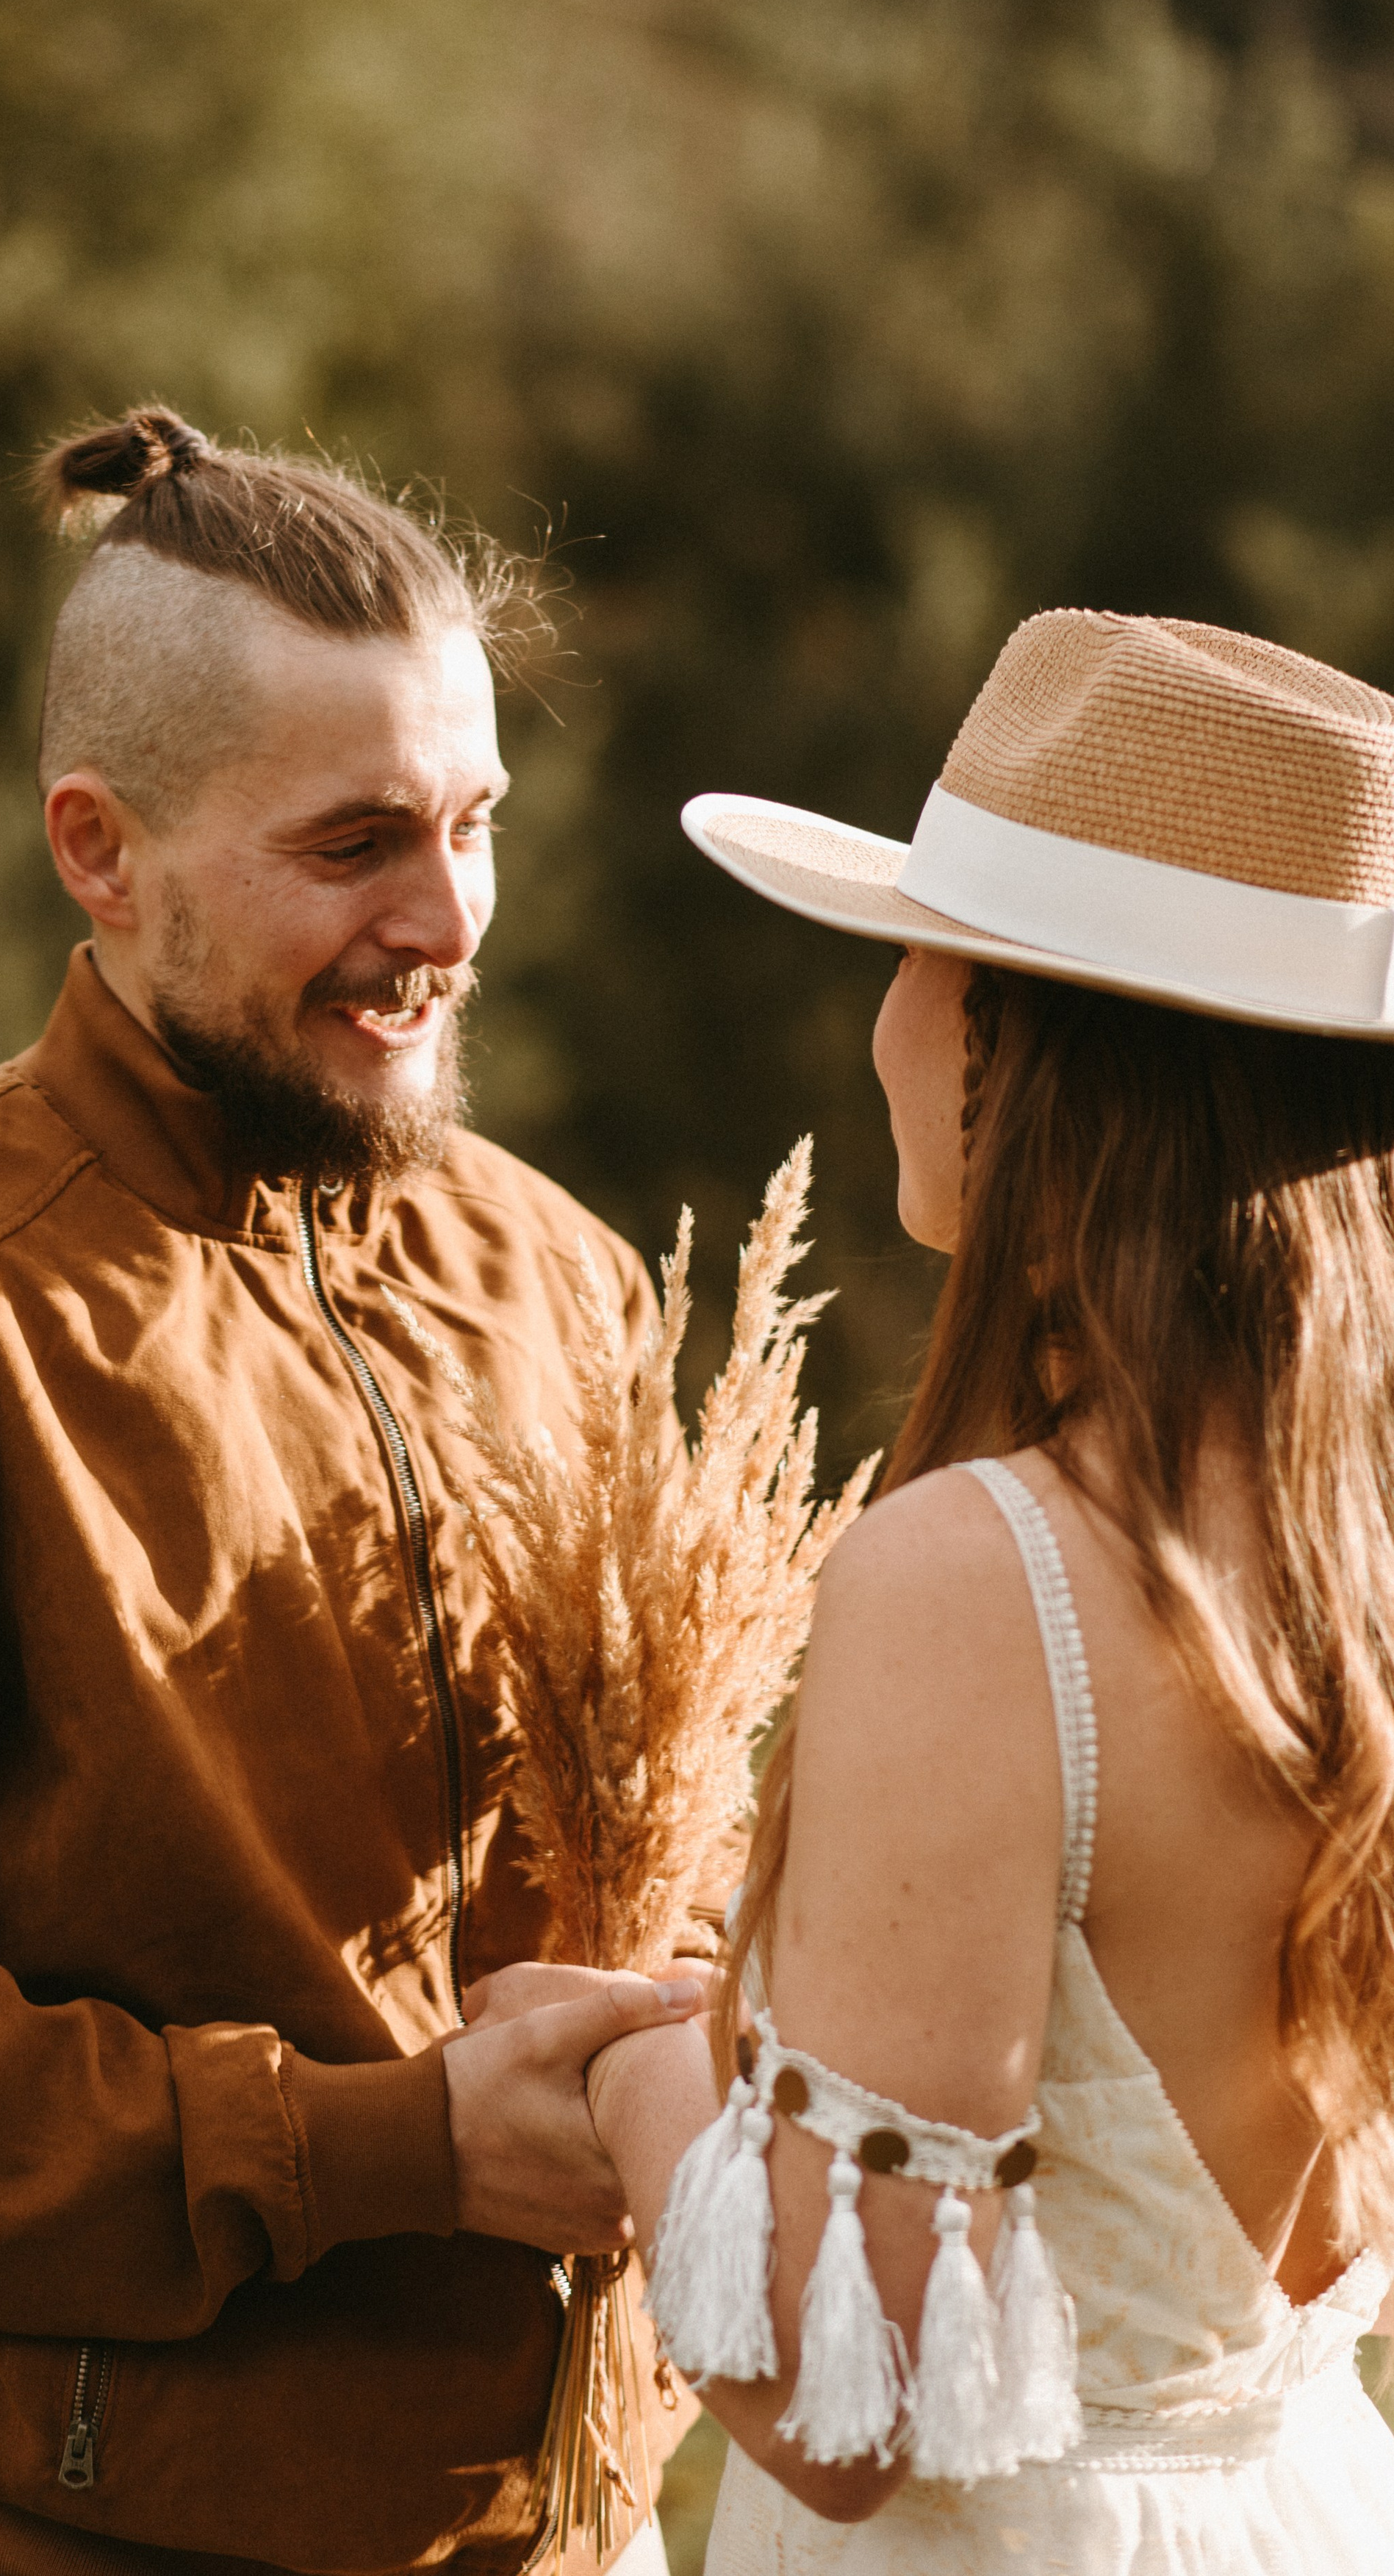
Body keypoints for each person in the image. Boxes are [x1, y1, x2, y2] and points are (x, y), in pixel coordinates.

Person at [0, 409, 699, 2576]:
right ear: (101, 850)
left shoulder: (568, 1281)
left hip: (587, 2533)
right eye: (357, 842)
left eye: (476, 822)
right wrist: (388, 2155)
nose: (448, 915)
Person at [582, 608, 1394, 2569]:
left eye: (920, 955)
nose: (887, 1016)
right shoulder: (1353, 1551)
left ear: (1020, 1035)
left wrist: (623, 2077)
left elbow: (844, 2401)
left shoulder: (986, 1575)